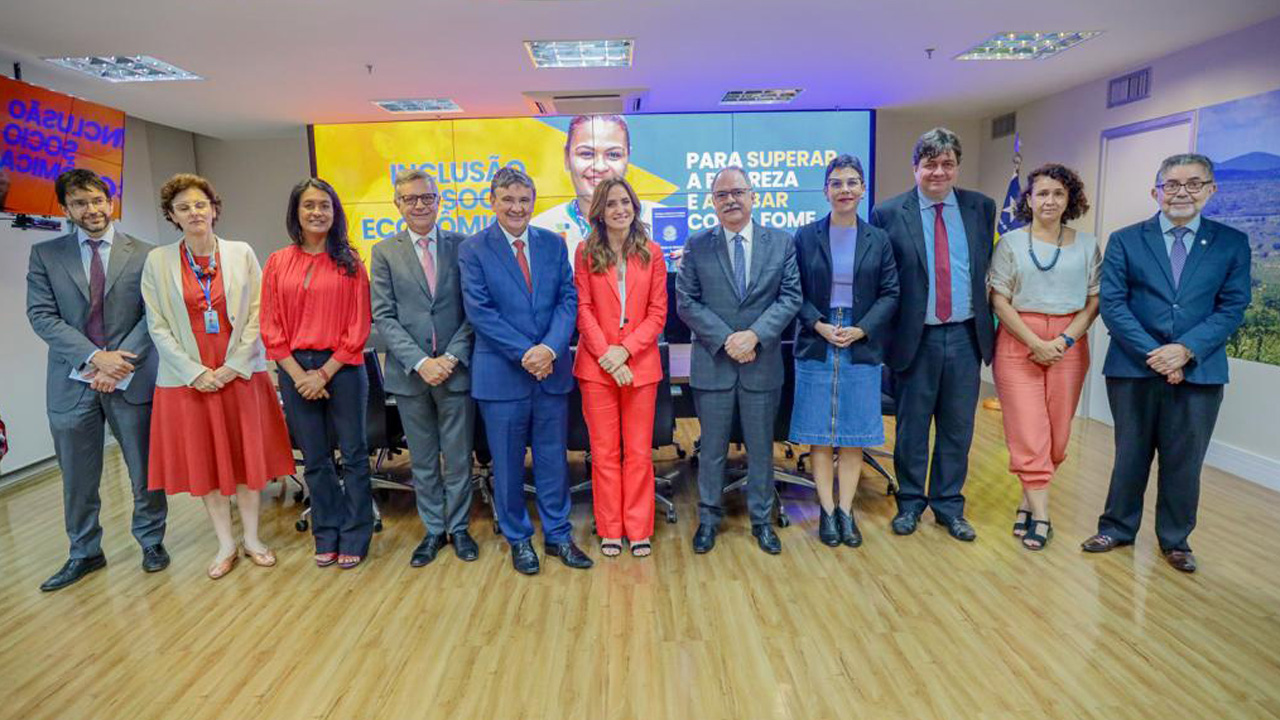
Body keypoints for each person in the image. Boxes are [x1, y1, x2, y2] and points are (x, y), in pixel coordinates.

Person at [1081, 153, 1251, 573]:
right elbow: (1115, 305)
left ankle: (1175, 540)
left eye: (1194, 183)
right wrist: (1157, 355)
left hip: (1200, 370)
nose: (1181, 193)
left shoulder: (1231, 243)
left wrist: (1186, 350)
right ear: (1155, 191)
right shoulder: (1125, 240)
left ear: (1211, 190)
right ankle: (1117, 527)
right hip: (1133, 368)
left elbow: (1233, 307)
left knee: (1184, 459)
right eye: (1171, 184)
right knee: (1130, 453)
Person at [140, 174, 294, 578]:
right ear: (172, 216)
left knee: (246, 460)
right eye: (184, 207)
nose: (194, 213)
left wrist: (232, 366)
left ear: (214, 209)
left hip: (239, 374)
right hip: (189, 381)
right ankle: (225, 543)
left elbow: (261, 312)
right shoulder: (157, 261)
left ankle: (254, 538)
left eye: (200, 205)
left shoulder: (241, 253)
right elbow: (156, 325)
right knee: (206, 462)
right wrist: (194, 373)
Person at [26, 168, 168, 592]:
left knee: (143, 469)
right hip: (72, 382)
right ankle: (84, 551)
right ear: (65, 208)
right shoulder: (46, 255)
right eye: (79, 203)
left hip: (132, 375)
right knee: (77, 474)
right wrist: (95, 359)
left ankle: (151, 541)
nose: (90, 210)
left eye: (96, 200)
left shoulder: (145, 253)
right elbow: (42, 316)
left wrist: (118, 363)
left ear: (111, 202)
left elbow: (154, 315)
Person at [458, 166, 593, 575]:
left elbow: (568, 299)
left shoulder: (553, 243)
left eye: (524, 199)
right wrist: (527, 353)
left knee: (553, 460)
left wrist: (550, 348)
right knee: (509, 463)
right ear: (493, 202)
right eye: (508, 199)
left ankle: (558, 536)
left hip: (550, 373)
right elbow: (480, 312)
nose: (517, 207)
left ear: (533, 202)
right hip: (502, 376)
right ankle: (519, 539)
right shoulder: (474, 249)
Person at [869, 127, 996, 542]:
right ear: (915, 168)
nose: (938, 172)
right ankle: (909, 503)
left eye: (947, 164)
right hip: (914, 337)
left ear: (957, 167)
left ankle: (948, 506)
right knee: (912, 428)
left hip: (965, 335)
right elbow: (882, 281)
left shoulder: (981, 208)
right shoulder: (888, 213)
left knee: (958, 428)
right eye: (930, 164)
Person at [676, 166, 801, 555]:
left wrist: (755, 336)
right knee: (711, 449)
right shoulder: (697, 246)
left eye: (738, 192)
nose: (731, 200)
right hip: (714, 364)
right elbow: (686, 302)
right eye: (722, 194)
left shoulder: (780, 243)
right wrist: (727, 338)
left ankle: (762, 520)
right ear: (712, 202)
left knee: (761, 448)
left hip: (760, 363)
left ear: (753, 197)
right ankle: (709, 519)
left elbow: (790, 297)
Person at [261, 178, 373, 569]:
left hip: (341, 369)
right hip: (294, 371)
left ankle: (357, 534)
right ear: (296, 212)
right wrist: (298, 374)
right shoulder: (278, 262)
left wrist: (322, 374)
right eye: (309, 205)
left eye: (324, 205)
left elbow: (358, 328)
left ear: (335, 212)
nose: (317, 212)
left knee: (355, 455)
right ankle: (326, 533)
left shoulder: (350, 262)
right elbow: (271, 327)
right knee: (316, 459)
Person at [988, 163, 1101, 551]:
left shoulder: (1087, 244)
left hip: (1070, 342)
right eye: (1042, 193)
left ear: (1070, 199)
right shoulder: (1011, 243)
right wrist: (1034, 342)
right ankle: (1041, 516)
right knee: (1027, 429)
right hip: (1019, 340)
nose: (1049, 200)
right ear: (1029, 200)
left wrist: (1065, 341)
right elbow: (998, 299)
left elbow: (1094, 299)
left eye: (1058, 193)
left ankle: (1026, 500)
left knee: (1057, 436)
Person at [371, 169, 478, 567]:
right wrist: (420, 362)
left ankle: (460, 527)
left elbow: (473, 312)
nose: (419, 205)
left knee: (458, 455)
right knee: (423, 459)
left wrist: (449, 358)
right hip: (410, 375)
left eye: (427, 198)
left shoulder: (462, 247)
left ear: (439, 201)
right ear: (397, 205)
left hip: (456, 371)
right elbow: (384, 316)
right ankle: (434, 530)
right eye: (410, 199)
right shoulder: (384, 252)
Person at [791, 155, 898, 548]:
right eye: (836, 183)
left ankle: (847, 510)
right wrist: (818, 323)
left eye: (852, 183)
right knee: (820, 434)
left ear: (863, 189)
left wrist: (863, 328)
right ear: (825, 191)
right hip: (816, 337)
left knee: (853, 433)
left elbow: (891, 293)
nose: (845, 190)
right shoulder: (804, 236)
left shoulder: (879, 239)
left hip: (861, 341)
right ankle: (825, 510)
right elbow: (794, 292)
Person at [573, 177, 668, 558]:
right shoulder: (584, 251)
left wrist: (624, 352)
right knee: (605, 452)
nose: (620, 209)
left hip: (640, 367)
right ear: (599, 210)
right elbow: (583, 310)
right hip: (597, 369)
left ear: (634, 206)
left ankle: (639, 528)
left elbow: (658, 313)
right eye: (611, 203)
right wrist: (608, 357)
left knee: (640, 453)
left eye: (625, 202)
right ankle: (611, 528)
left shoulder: (653, 252)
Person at [531, 114, 657, 265]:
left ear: (628, 158)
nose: (599, 167)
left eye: (613, 154)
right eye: (586, 154)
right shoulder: (541, 228)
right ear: (566, 157)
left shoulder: (659, 220)